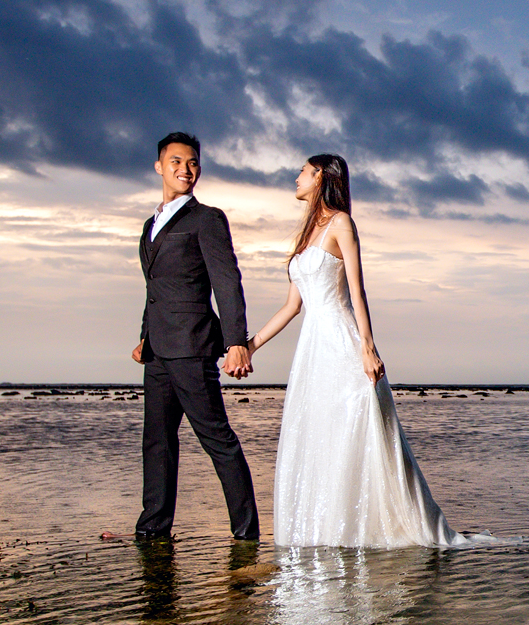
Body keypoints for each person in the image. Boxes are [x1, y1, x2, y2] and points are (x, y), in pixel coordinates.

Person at [246, 153, 469, 548]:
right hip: (312, 351)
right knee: (317, 436)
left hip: (341, 342)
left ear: (320, 178)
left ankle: (361, 528)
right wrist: (251, 346)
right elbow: (291, 307)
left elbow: (356, 290)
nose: (296, 176)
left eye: (303, 171)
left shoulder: (342, 223)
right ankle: (324, 530)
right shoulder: (305, 235)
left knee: (353, 432)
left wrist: (368, 347)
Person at [128, 132, 259, 543]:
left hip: (193, 346)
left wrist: (236, 340)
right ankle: (153, 528)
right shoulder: (152, 224)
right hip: (158, 352)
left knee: (217, 438)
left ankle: (246, 533)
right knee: (158, 442)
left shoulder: (208, 219)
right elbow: (157, 288)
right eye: (177, 162)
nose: (186, 169)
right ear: (159, 166)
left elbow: (226, 281)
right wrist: (143, 337)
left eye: (193, 163)